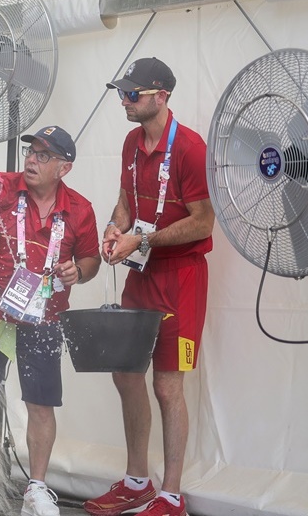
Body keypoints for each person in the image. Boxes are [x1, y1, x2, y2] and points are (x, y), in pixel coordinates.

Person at [85, 58, 213, 516]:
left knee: (167, 386)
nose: (124, 99)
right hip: (140, 274)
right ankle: (137, 481)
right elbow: (125, 201)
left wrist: (146, 239)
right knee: (125, 374)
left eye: (132, 93)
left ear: (162, 96)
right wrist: (114, 231)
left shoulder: (191, 149)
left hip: (180, 280)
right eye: (122, 92)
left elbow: (203, 222)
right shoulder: (130, 143)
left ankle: (171, 495)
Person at [0, 125, 99, 516]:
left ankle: (35, 489)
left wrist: (78, 272)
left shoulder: (80, 210)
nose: (32, 159)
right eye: (31, 151)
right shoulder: (0, 187)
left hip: (43, 317)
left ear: (63, 169)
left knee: (40, 403)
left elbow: (92, 259)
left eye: (43, 155)